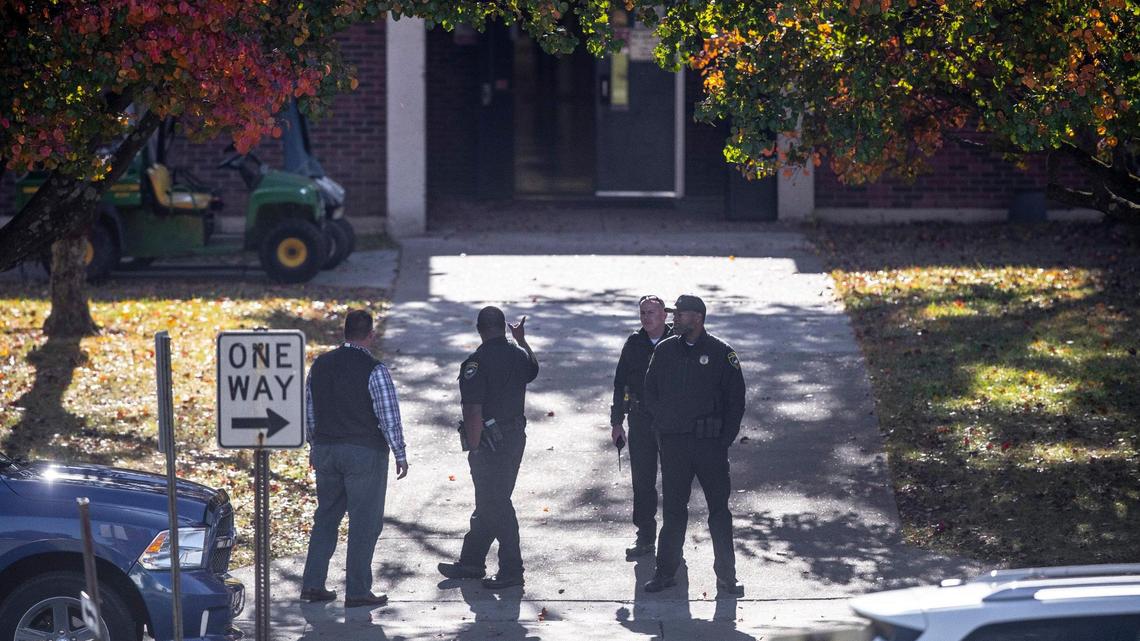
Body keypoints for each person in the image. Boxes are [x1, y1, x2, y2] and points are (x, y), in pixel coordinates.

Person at [300, 309, 409, 608]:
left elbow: (310, 412)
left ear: (343, 333)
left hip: (326, 451)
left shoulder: (320, 365)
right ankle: (358, 590)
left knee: (325, 518)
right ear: (370, 335)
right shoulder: (375, 369)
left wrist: (315, 445)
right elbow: (388, 417)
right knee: (364, 523)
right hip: (364, 453)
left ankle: (312, 584)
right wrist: (399, 452)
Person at [642, 294, 746, 597]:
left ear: (697, 318)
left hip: (709, 446)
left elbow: (735, 401)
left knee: (719, 512)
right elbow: (651, 393)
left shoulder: (721, 353)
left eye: (681, 315)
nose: (675, 319)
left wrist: (722, 439)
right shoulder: (664, 351)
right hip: (675, 446)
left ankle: (727, 577)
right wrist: (664, 426)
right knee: (673, 511)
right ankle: (665, 573)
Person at [438, 306, 539, 590]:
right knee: (490, 501)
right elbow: (533, 369)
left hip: (489, 441)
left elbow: (472, 411)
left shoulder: (476, 363)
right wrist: (521, 339)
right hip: (515, 437)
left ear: (479, 329)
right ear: (503, 328)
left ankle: (512, 570)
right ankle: (471, 562)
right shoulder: (519, 355)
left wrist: (474, 447)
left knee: (496, 504)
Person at [610, 294, 673, 558]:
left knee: (674, 481)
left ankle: (672, 538)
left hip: (672, 422)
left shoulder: (677, 342)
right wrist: (617, 422)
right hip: (640, 419)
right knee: (643, 481)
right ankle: (645, 536)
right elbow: (619, 383)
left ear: (664, 316)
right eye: (643, 313)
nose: (646, 318)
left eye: (652, 313)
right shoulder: (634, 344)